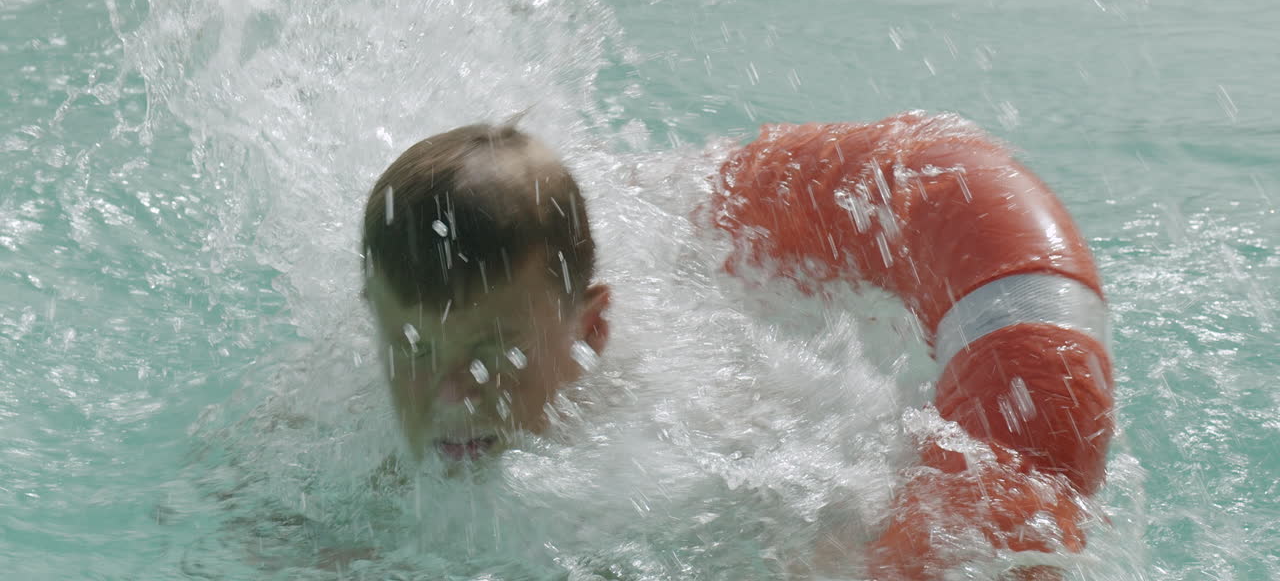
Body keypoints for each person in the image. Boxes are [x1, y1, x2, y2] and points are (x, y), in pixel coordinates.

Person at [360, 114, 1114, 580]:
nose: (452, 393)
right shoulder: (343, 441)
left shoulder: (699, 450)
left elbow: (833, 534)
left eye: (492, 354)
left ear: (591, 330)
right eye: (415, 351)